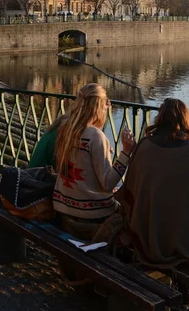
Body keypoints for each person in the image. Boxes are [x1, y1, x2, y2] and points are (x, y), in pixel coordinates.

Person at [119, 98, 189, 311]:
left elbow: (128, 198)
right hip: (187, 249)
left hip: (145, 242)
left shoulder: (143, 147)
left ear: (159, 118)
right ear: (186, 120)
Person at [53, 83, 135, 240]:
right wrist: (126, 152)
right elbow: (108, 184)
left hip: (63, 209)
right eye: (106, 106)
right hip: (90, 216)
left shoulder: (65, 128)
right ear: (99, 107)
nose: (107, 110)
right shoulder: (95, 136)